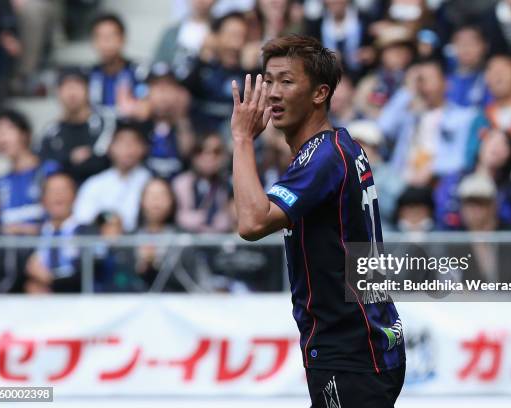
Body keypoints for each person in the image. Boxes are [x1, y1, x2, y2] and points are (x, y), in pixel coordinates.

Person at [230, 35, 405, 407]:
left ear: (319, 93)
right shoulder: (339, 145)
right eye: (269, 80)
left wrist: (243, 139)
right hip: (365, 343)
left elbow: (251, 222)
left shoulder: (322, 156)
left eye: (287, 81)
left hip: (350, 353)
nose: (273, 93)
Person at [38, 67, 114, 185]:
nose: (72, 92)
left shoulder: (104, 122)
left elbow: (103, 161)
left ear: (88, 90)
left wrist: (67, 162)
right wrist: (71, 159)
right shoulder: (51, 131)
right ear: (58, 92)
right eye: (67, 87)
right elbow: (48, 166)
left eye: (77, 86)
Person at [73, 122, 151, 232]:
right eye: (122, 143)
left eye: (133, 142)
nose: (127, 148)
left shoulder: (150, 182)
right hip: (99, 243)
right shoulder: (94, 183)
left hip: (139, 242)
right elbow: (82, 219)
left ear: (143, 148)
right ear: (110, 147)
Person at [0, 109, 59, 235]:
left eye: (8, 129)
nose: (1, 137)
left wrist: (29, 230)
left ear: (25, 134)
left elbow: (64, 218)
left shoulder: (50, 172)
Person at [24, 173, 92, 294]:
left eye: (64, 190)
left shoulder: (88, 232)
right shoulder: (34, 236)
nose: (58, 195)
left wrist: (51, 280)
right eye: (52, 190)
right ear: (43, 200)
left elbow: (91, 271)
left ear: (75, 197)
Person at [88, 13, 148, 118]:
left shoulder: (139, 71)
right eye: (100, 37)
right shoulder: (88, 75)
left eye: (111, 36)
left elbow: (146, 108)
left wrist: (133, 108)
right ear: (94, 42)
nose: (106, 42)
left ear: (123, 39)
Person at [142, 62, 194, 180]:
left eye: (169, 86)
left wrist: (181, 116)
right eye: (157, 86)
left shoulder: (188, 120)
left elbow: (187, 152)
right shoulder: (140, 124)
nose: (163, 93)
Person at [172, 132, 234, 233]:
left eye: (216, 151)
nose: (208, 157)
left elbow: (229, 221)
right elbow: (178, 219)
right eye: (200, 150)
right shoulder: (180, 183)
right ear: (193, 154)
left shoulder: (229, 184)